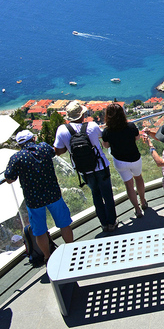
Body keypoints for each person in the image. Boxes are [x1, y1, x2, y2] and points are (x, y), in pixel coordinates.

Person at [4, 131, 74, 263]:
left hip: (34, 200)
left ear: (19, 144)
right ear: (33, 138)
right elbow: (54, 152)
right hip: (53, 194)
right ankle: (71, 250)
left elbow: (9, 178)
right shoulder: (43, 147)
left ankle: (47, 257)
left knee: (40, 231)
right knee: (64, 224)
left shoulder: (17, 158)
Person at [54, 101, 118, 232]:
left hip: (83, 169)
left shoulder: (62, 130)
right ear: (82, 115)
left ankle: (104, 224)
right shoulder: (92, 126)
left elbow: (58, 151)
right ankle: (112, 222)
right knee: (107, 195)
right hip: (100, 166)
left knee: (96, 195)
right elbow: (104, 138)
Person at [102, 103, 148, 218]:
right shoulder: (131, 126)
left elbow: (106, 146)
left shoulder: (107, 131)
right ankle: (143, 201)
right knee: (138, 178)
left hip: (120, 161)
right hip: (134, 158)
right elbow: (137, 137)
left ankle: (137, 209)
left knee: (128, 185)